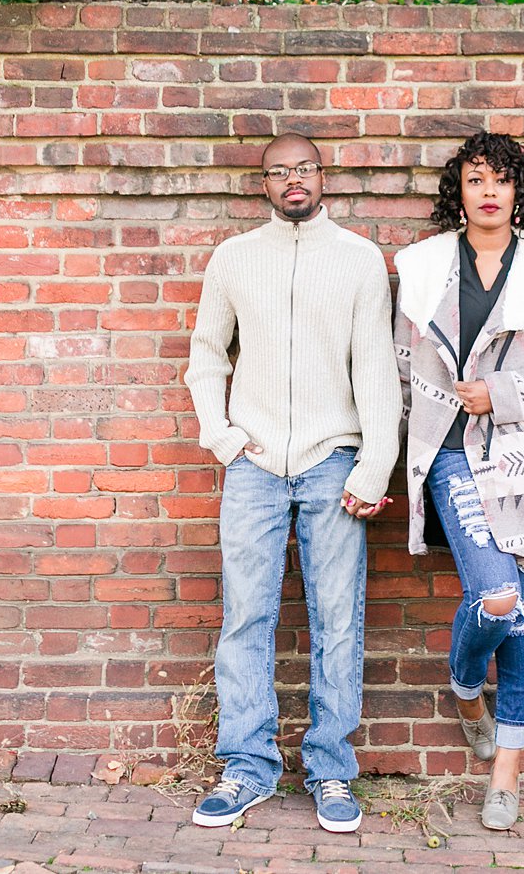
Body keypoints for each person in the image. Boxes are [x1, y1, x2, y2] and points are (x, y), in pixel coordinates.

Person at [184, 133, 400, 834]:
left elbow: (374, 369)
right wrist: (222, 437)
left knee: (339, 620)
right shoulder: (235, 257)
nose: (292, 181)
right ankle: (246, 767)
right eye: (278, 172)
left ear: (322, 175)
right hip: (252, 465)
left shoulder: (360, 259)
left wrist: (375, 464)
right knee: (246, 617)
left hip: (334, 460)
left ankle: (331, 769)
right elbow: (206, 355)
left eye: (303, 169)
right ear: (264, 184)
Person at [392, 132, 524, 832]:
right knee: (498, 595)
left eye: (502, 180)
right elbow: (400, 370)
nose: (489, 191)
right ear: (460, 188)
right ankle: (463, 688)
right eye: (476, 177)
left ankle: (505, 773)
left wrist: (503, 392)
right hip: (450, 453)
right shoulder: (422, 269)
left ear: (519, 192)